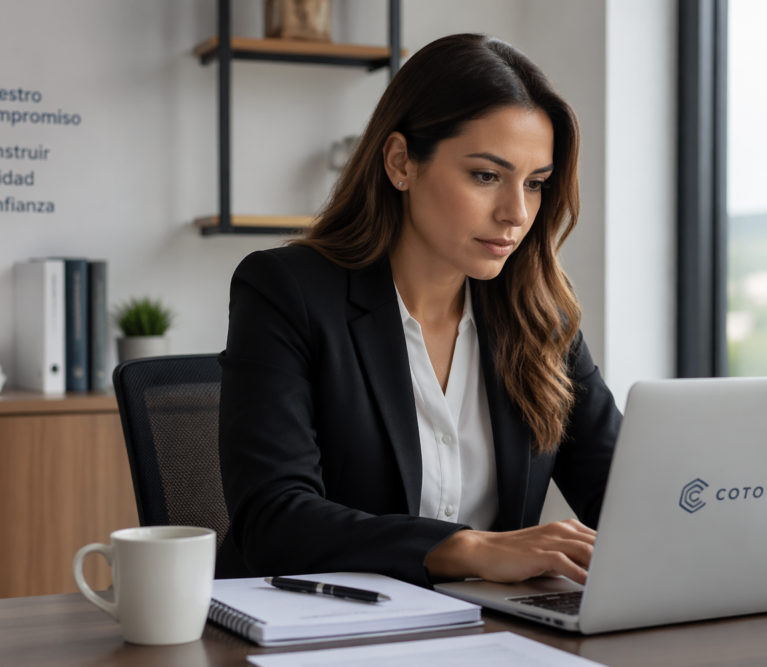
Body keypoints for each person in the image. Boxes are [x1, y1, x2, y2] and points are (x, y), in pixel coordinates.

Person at [217, 33, 622, 588]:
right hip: (323, 622)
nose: (516, 213)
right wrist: (467, 549)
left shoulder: (539, 315)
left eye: (535, 184)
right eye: (486, 176)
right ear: (401, 162)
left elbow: (624, 497)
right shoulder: (287, 291)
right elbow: (273, 520)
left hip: (489, 627)